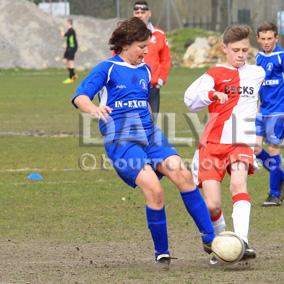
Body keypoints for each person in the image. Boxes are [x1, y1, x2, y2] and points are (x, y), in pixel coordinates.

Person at [71, 17, 215, 268]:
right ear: (126, 44)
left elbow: (143, 101)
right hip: (122, 140)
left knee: (182, 174)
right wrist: (94, 109)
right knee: (154, 189)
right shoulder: (107, 68)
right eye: (141, 47)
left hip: (150, 135)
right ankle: (162, 252)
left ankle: (211, 239)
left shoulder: (146, 70)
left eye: (147, 46)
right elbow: (80, 95)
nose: (146, 52)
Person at [184, 24, 265, 262]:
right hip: (213, 143)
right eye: (236, 50)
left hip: (240, 142)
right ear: (225, 49)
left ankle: (242, 241)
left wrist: (256, 133)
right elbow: (190, 99)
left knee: (239, 185)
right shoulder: (214, 74)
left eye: (244, 50)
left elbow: (257, 103)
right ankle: (221, 243)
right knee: (212, 205)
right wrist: (212, 95)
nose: (241, 54)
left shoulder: (257, 73)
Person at [254, 22, 284, 207]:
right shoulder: (257, 58)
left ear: (276, 38)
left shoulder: (283, 56)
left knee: (273, 150)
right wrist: (257, 110)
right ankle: (283, 177)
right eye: (263, 39)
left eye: (270, 38)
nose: (266, 42)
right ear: (257, 39)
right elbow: (259, 87)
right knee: (255, 149)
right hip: (262, 110)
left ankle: (274, 194)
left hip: (280, 110)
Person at [133, 1, 171, 120]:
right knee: (131, 124)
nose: (139, 15)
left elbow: (166, 59)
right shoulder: (126, 34)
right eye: (137, 12)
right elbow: (116, 56)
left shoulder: (159, 34)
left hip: (152, 87)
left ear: (149, 13)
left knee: (150, 122)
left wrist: (160, 80)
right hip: (132, 86)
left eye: (143, 12)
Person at [61, 18, 78, 84]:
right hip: (68, 48)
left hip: (72, 48)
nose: (66, 24)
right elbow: (68, 39)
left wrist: (61, 30)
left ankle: (71, 78)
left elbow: (63, 35)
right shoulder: (69, 30)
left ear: (69, 23)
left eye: (66, 22)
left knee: (71, 62)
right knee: (65, 60)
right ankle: (74, 74)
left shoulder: (71, 30)